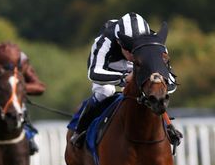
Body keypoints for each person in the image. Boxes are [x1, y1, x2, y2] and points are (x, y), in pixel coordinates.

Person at [71, 12, 182, 147]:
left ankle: (169, 127)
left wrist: (158, 86)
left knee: (154, 92)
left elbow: (170, 81)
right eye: (127, 49)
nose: (131, 53)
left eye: (134, 49)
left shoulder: (153, 42)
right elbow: (94, 73)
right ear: (118, 41)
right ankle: (80, 130)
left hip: (139, 67)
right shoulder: (105, 40)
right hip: (108, 68)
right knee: (105, 91)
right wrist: (124, 78)